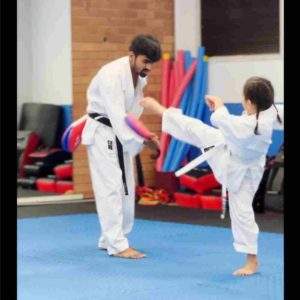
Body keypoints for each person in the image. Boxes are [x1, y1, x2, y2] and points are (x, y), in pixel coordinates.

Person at [139, 76, 282, 275]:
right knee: (196, 129)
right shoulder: (270, 111)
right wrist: (219, 107)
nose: (242, 101)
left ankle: (252, 260)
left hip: (235, 164)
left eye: (243, 98)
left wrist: (219, 104)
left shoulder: (247, 126)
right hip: (246, 160)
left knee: (242, 213)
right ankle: (161, 111)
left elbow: (220, 119)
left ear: (250, 102)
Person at [81, 34, 161, 259]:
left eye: (151, 64)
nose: (148, 68)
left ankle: (111, 238)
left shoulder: (138, 78)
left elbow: (130, 116)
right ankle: (117, 244)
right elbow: (117, 116)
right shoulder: (112, 75)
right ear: (132, 55)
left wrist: (144, 135)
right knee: (111, 188)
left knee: (126, 187)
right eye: (145, 61)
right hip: (103, 134)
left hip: (119, 134)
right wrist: (142, 141)